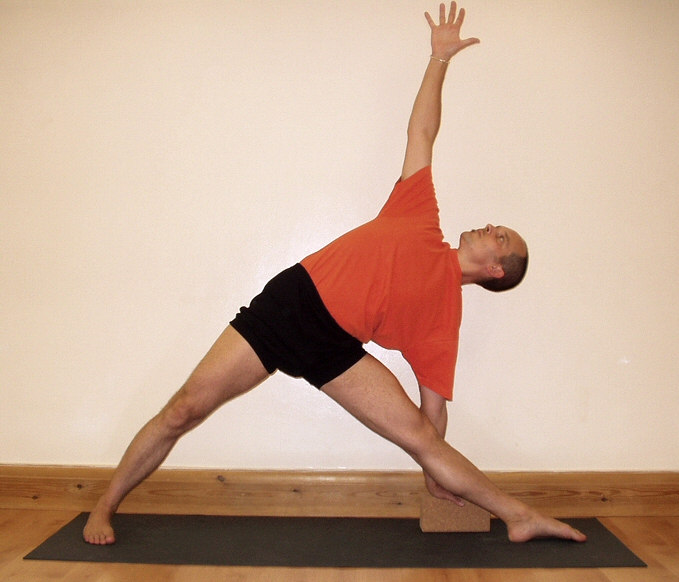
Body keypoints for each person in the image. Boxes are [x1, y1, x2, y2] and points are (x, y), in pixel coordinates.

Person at [84, 2, 586, 545]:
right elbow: (421, 132)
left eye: (500, 237)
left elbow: (432, 414)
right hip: (292, 304)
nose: (490, 227)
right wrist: (439, 59)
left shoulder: (446, 316)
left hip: (335, 348)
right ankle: (104, 506)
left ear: (494, 270)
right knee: (184, 409)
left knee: (421, 438)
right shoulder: (419, 215)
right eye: (497, 227)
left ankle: (518, 515)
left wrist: (432, 469)